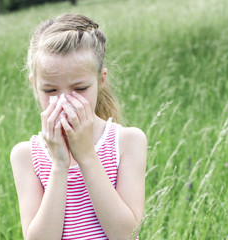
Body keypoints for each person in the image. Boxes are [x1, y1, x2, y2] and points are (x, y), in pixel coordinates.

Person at [10, 13, 147, 240]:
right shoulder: (26, 155)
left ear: (101, 80)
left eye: (80, 88)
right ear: (34, 85)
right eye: (50, 91)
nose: (64, 102)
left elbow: (126, 235)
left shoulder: (127, 142)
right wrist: (59, 166)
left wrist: (86, 155)